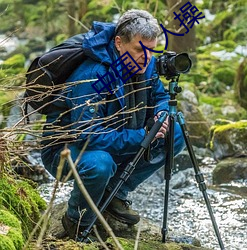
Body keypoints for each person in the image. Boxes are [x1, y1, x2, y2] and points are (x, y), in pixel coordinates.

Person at [41, 9, 185, 241]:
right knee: (100, 164)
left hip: (116, 136)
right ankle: (76, 221)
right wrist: (142, 136)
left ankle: (115, 193)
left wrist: (161, 114)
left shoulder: (144, 63)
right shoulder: (93, 75)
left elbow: (159, 96)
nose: (147, 57)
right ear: (119, 43)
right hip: (67, 150)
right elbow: (87, 135)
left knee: (175, 132)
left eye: (152, 50)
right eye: (140, 50)